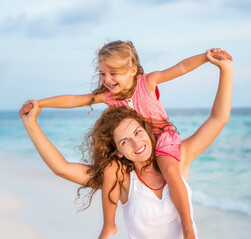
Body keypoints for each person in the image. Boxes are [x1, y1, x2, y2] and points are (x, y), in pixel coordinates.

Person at [19, 40, 231, 239]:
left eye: (113, 73)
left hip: (165, 141)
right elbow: (74, 102)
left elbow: (182, 70)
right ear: (117, 149)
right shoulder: (122, 177)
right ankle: (109, 225)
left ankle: (188, 229)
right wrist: (38, 107)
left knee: (170, 170)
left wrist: (211, 60)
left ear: (131, 71)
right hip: (131, 163)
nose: (107, 80)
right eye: (102, 74)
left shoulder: (147, 83)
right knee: (110, 169)